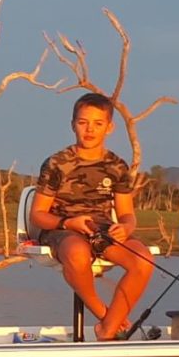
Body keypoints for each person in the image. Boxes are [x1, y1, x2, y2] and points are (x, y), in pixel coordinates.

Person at [29, 93, 154, 340]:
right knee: (77, 252)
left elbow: (127, 214)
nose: (89, 130)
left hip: (102, 230)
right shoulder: (56, 163)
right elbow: (38, 215)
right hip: (62, 230)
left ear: (109, 127)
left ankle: (107, 331)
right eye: (83, 122)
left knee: (144, 259)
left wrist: (126, 228)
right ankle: (104, 314)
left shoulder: (117, 166)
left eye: (98, 124)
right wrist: (67, 222)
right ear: (73, 124)